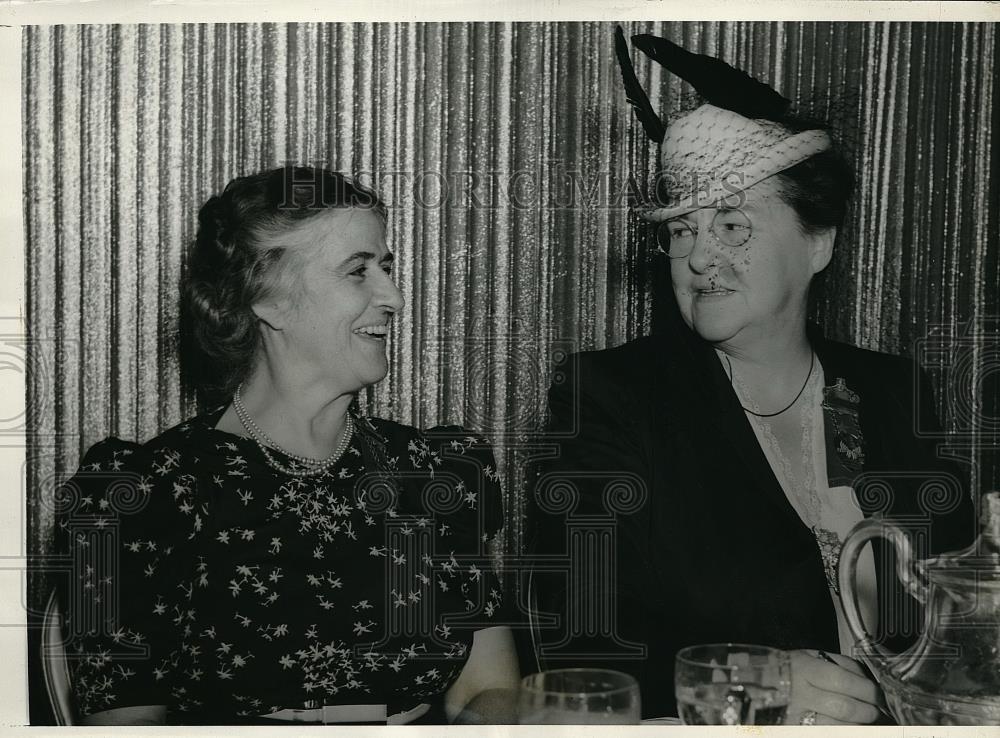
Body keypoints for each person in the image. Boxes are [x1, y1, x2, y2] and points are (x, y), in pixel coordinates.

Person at [529, 31, 976, 725]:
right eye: (682, 230)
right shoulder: (611, 400)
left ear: (818, 242)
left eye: (733, 225)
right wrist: (748, 683)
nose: (699, 257)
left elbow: (958, 630)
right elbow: (584, 653)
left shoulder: (894, 393)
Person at [54, 166, 519, 725]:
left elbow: (488, 689)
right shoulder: (144, 494)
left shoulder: (431, 472)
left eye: (387, 267)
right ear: (266, 299)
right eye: (358, 271)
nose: (394, 297)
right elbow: (127, 724)